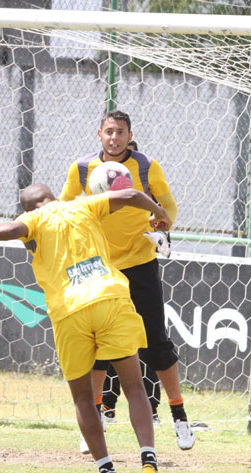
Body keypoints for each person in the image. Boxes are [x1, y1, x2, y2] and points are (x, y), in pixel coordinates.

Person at [0, 184, 170, 473]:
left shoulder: (35, 220)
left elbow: (8, 229)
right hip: (110, 297)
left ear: (28, 209)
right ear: (55, 198)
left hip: (70, 312)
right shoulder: (83, 205)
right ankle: (149, 463)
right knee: (135, 387)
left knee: (84, 398)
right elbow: (129, 196)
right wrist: (160, 213)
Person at [60, 110, 195, 452]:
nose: (114, 137)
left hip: (139, 264)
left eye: (120, 132)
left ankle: (180, 416)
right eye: (109, 132)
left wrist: (162, 221)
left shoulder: (146, 166)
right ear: (99, 134)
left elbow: (169, 206)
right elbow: (63, 211)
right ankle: (96, 418)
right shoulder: (81, 169)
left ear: (129, 134)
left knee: (155, 344)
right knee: (97, 346)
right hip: (99, 268)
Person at [99, 138, 163, 429]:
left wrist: (160, 234)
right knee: (110, 341)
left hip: (141, 266)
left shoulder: (147, 178)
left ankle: (151, 409)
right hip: (106, 269)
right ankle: (106, 407)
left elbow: (163, 219)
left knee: (145, 340)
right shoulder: (91, 177)